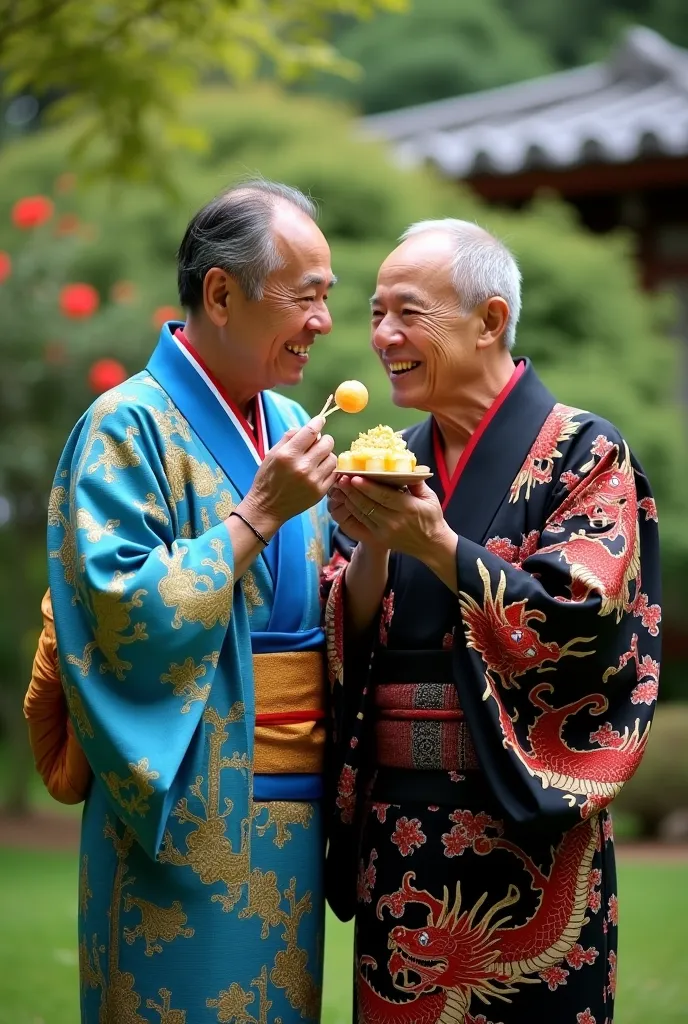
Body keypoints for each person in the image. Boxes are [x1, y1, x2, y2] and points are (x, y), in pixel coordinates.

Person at [325, 219, 660, 1024]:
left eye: (408, 313)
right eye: (375, 314)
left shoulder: (585, 453)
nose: (383, 336)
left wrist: (439, 548)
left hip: (526, 832)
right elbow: (345, 630)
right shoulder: (391, 458)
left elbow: (584, 620)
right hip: (399, 832)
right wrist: (372, 548)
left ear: (491, 320)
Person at [23, 179, 338, 1023]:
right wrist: (260, 512)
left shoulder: (294, 423)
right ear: (222, 294)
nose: (324, 322)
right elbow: (120, 614)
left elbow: (327, 605)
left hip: (292, 818)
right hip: (182, 810)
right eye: (305, 297)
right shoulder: (125, 426)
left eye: (327, 297)